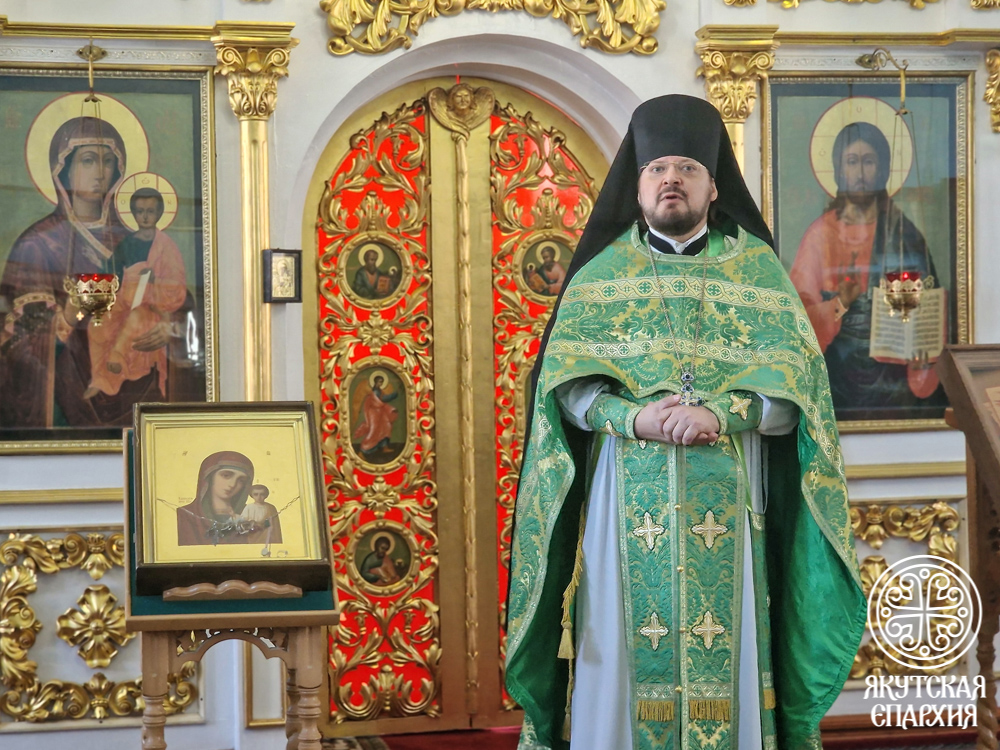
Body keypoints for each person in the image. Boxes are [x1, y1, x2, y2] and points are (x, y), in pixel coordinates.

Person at [505, 95, 866, 750]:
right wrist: (634, 417)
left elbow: (800, 396)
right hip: (622, 513)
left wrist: (723, 412)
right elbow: (566, 392)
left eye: (687, 169)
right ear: (637, 184)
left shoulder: (758, 275)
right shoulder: (600, 277)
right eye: (658, 169)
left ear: (713, 186)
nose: (671, 179)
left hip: (733, 506)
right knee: (617, 653)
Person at [788, 121, 943, 421]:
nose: (860, 173)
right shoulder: (821, 235)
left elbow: (927, 310)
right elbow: (797, 317)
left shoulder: (904, 234)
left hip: (894, 379)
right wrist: (839, 303)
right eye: (852, 161)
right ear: (838, 170)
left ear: (883, 170)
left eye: (868, 161)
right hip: (837, 377)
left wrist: (921, 344)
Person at [0, 116, 135, 429]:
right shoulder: (38, 244)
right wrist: (66, 318)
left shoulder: (130, 241)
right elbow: (16, 343)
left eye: (107, 161)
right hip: (67, 390)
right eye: (88, 160)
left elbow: (168, 306)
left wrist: (160, 324)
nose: (100, 172)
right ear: (64, 169)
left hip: (127, 376)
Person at [85, 187, 187, 399]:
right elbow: (112, 273)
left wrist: (154, 281)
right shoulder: (127, 243)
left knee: (135, 318)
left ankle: (117, 358)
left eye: (150, 211)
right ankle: (99, 379)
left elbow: (177, 285)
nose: (145, 216)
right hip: (124, 300)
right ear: (133, 213)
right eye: (140, 211)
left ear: (159, 213)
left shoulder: (166, 247)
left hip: (152, 307)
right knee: (97, 324)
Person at [177, 451, 255, 546]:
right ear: (210, 476)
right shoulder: (183, 516)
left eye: (241, 480)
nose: (232, 484)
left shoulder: (251, 515)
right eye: (226, 475)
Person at [352, 374, 399, 459]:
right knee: (373, 432)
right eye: (379, 382)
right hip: (374, 413)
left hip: (380, 412)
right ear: (375, 382)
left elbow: (382, 399)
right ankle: (362, 452)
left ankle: (384, 447)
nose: (380, 383)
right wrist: (394, 395)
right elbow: (383, 399)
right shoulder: (375, 392)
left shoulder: (379, 391)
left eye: (382, 382)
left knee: (386, 427)